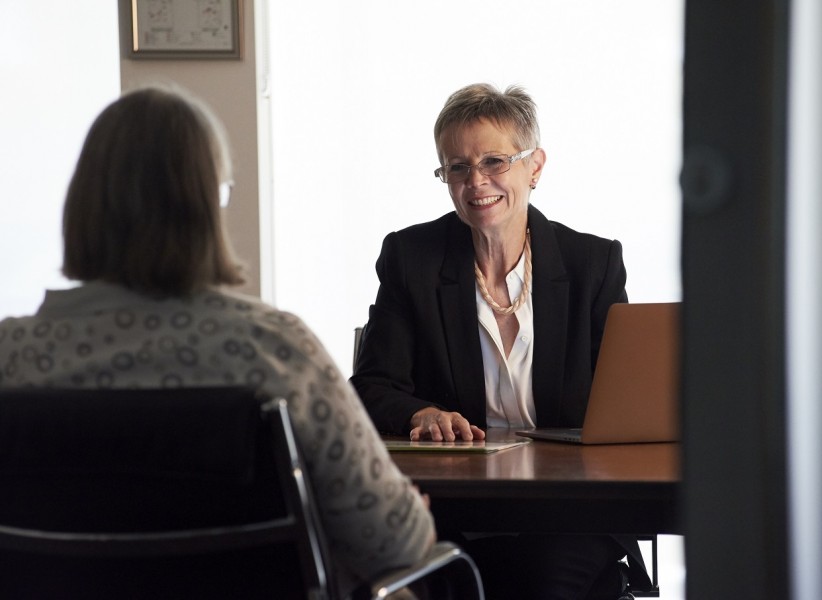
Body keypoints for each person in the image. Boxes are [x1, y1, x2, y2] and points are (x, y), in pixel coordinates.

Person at [0, 86, 435, 599]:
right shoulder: (274, 350)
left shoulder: (12, 358)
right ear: (208, 205)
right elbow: (396, 544)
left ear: (81, 205)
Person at [350, 83, 650, 600]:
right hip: (455, 506)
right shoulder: (410, 257)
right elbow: (373, 386)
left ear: (534, 167)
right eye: (458, 167)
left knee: (544, 582)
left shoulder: (592, 263)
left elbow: (625, 402)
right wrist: (420, 413)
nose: (476, 182)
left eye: (494, 161)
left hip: (570, 510)